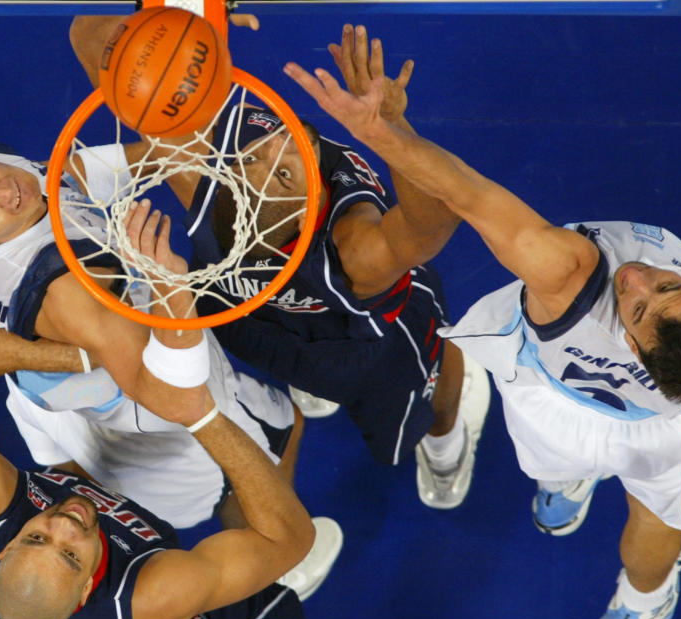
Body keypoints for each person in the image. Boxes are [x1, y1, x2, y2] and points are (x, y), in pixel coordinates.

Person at [283, 34, 681, 619]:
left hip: (553, 396)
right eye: (668, 284)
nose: (636, 276)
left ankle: (634, 575)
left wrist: (387, 131)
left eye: (638, 307)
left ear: (639, 353)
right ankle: (643, 600)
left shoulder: (569, 274)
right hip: (653, 426)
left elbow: (470, 195)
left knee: (617, 507)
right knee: (664, 517)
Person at [70, 17, 492, 509]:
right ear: (303, 211)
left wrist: (184, 13)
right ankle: (422, 436)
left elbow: (88, 32)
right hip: (307, 342)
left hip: (316, 339)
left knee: (401, 407)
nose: (281, 143)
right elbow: (435, 220)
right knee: (374, 390)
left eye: (256, 158)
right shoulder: (346, 250)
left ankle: (435, 441)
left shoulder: (213, 170)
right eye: (287, 174)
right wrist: (389, 130)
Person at [0, 135, 342, 589]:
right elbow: (173, 397)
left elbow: (63, 175)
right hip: (151, 415)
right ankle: (281, 572)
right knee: (280, 432)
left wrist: (170, 146)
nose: (6, 193)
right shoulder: (70, 294)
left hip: (65, 394)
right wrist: (172, 291)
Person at [0, 274, 315, 619]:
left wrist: (84, 357)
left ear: (7, 548)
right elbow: (291, 539)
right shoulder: (153, 597)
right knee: (272, 610)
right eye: (70, 555)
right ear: (86, 589)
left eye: (35, 539)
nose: (65, 524)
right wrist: (200, 416)